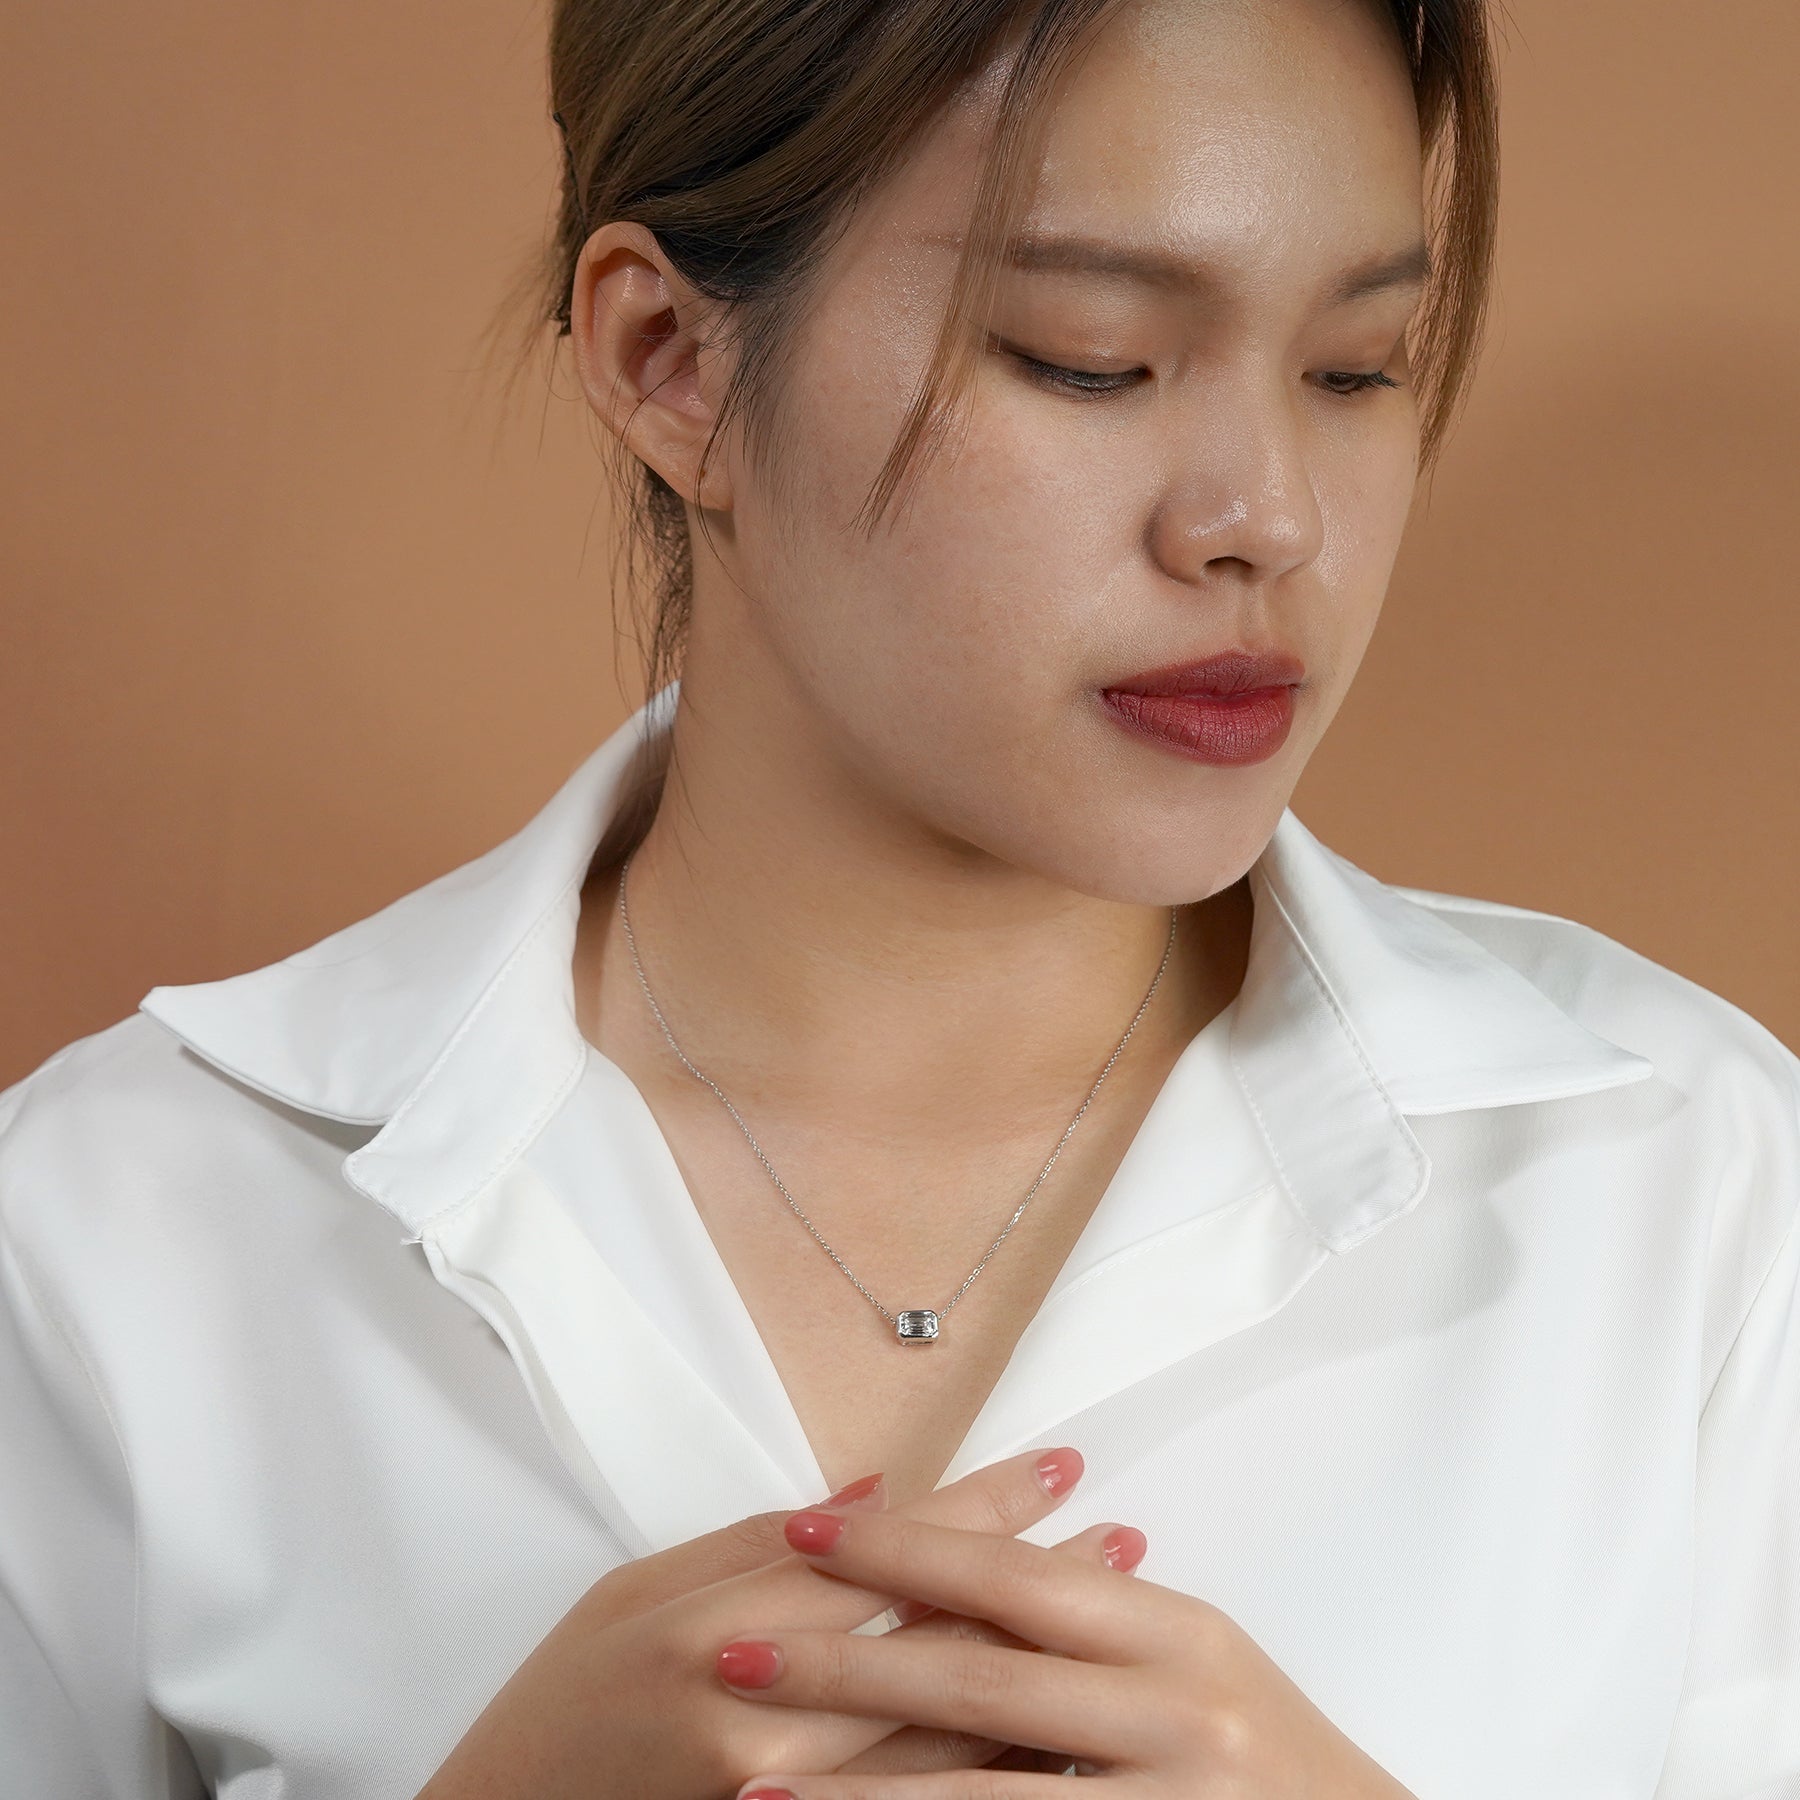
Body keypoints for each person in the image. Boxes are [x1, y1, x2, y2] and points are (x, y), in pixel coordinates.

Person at [2, 0, 1796, 1793]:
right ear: (670, 362)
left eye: (1356, 368)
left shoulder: (1687, 1183)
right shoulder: (121, 1231)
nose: (1268, 519)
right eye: (1091, 359)